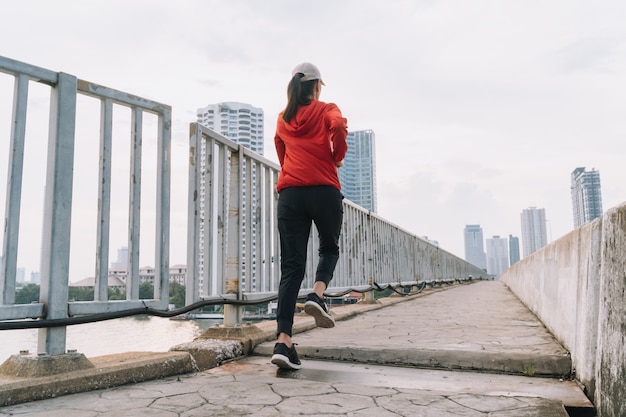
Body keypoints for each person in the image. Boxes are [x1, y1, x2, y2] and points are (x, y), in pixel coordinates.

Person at [270, 62, 348, 370]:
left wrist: (293, 171)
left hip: (290, 195)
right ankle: (317, 295)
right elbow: (339, 127)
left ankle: (283, 341)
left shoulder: (282, 119)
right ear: (316, 86)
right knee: (329, 248)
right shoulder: (326, 108)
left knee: (291, 270)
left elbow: (282, 153)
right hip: (324, 190)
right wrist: (337, 157)